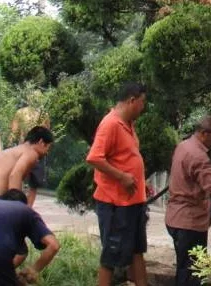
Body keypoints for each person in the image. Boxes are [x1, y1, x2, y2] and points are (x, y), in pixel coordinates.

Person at [86, 82, 148, 286]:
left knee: (137, 250)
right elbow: (94, 157)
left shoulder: (129, 123)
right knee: (111, 257)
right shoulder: (110, 123)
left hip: (133, 202)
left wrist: (140, 182)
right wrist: (122, 176)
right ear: (132, 100)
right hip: (115, 204)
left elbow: (127, 156)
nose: (143, 108)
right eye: (142, 103)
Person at [166, 116, 211, 286]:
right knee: (192, 273)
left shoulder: (183, 146)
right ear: (204, 133)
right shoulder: (197, 156)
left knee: (186, 268)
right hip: (188, 221)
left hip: (176, 217)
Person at [10, 99, 52, 207]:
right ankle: (24, 208)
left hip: (27, 147)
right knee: (30, 182)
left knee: (28, 180)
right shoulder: (41, 114)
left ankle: (25, 208)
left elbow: (14, 132)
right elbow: (46, 132)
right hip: (33, 148)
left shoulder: (40, 114)